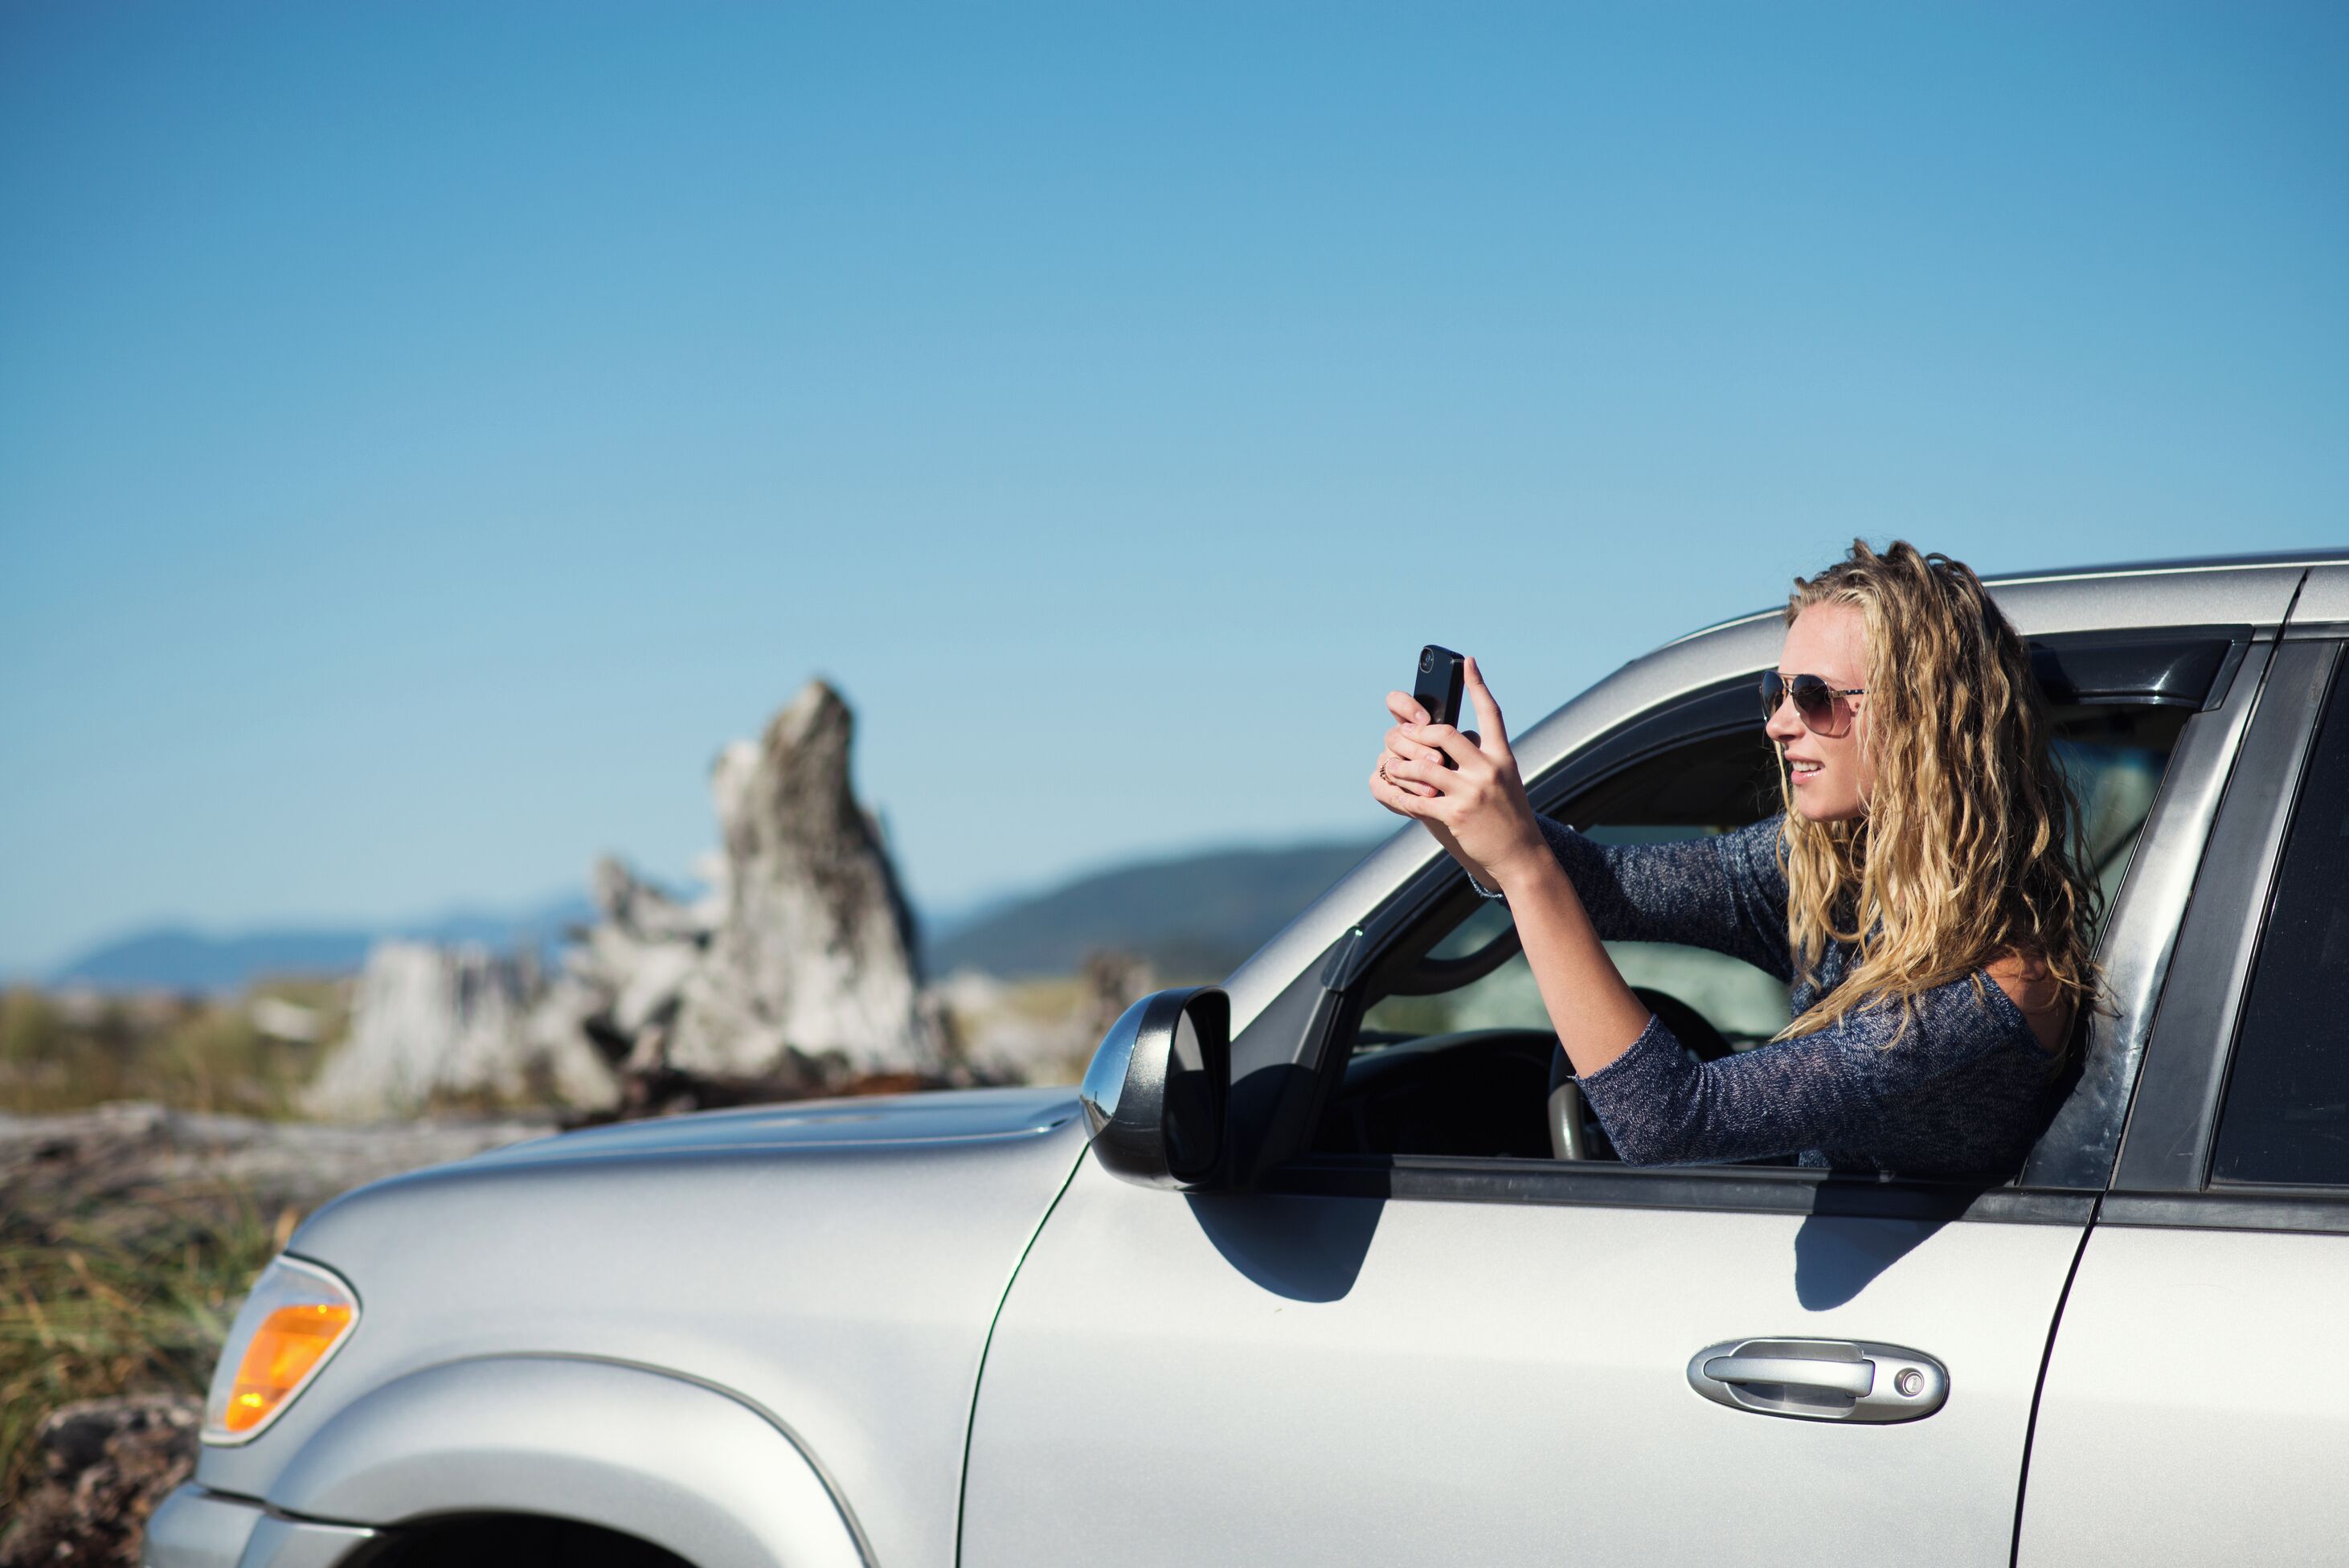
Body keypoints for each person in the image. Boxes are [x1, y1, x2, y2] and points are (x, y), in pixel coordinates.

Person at [1369, 539, 2094, 1174]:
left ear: (1923, 718)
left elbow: (1672, 1119)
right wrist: (1469, 806)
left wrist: (1522, 863)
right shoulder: (1834, 867)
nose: (1779, 723)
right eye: (1775, 692)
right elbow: (1613, 886)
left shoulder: (1990, 985)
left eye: (1812, 697)